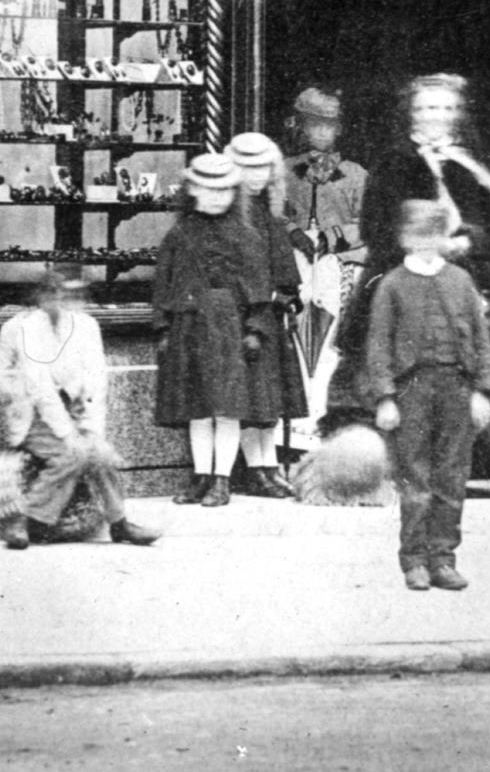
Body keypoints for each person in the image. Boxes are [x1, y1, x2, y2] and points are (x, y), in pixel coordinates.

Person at [327, 73, 490, 425]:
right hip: (399, 274)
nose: (436, 115)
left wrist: (466, 242)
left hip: (466, 275)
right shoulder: (393, 162)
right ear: (412, 112)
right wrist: (423, 247)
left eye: (445, 107)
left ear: (457, 113)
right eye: (428, 107)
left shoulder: (473, 163)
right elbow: (374, 228)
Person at [364, 198, 490, 592]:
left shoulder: (460, 281)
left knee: (452, 476)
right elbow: (379, 345)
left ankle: (443, 558)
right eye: (416, 237)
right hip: (412, 390)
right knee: (414, 476)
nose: (425, 245)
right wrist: (386, 397)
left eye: (433, 237)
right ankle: (414, 561)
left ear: (445, 238)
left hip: (456, 387)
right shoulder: (392, 284)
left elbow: (480, 339)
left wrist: (480, 391)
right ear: (404, 238)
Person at [0, 269, 158, 551]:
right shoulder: (23, 327)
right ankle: (22, 519)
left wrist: (93, 431)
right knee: (74, 453)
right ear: (38, 297)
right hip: (34, 415)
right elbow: (39, 388)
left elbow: (96, 381)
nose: (60, 300)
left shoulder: (87, 326)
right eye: (51, 293)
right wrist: (69, 435)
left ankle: (120, 523)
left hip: (75, 411)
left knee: (99, 453)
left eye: (66, 294)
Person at [152, 150, 280, 506]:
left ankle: (221, 479)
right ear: (191, 191)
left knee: (226, 408)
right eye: (207, 190)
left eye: (224, 191)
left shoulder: (245, 235)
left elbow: (258, 286)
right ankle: (201, 476)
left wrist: (255, 329)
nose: (215, 197)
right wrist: (162, 328)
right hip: (188, 327)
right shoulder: (179, 235)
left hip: (228, 329)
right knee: (197, 408)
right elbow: (164, 282)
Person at [226, 129, 307, 492]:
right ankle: (255, 469)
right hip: (243, 317)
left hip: (272, 315)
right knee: (251, 397)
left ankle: (269, 464)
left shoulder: (271, 212)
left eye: (263, 168)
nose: (257, 175)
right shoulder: (229, 215)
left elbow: (283, 264)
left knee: (271, 398)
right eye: (249, 167)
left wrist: (287, 294)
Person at [280, 87, 366, 428]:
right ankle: (297, 415)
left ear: (339, 129)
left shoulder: (356, 174)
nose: (321, 133)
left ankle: (322, 411)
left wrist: (335, 236)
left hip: (338, 263)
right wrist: (293, 232)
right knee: (297, 333)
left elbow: (368, 221)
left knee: (331, 337)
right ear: (301, 127)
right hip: (296, 261)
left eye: (329, 126)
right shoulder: (284, 172)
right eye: (314, 125)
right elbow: (272, 213)